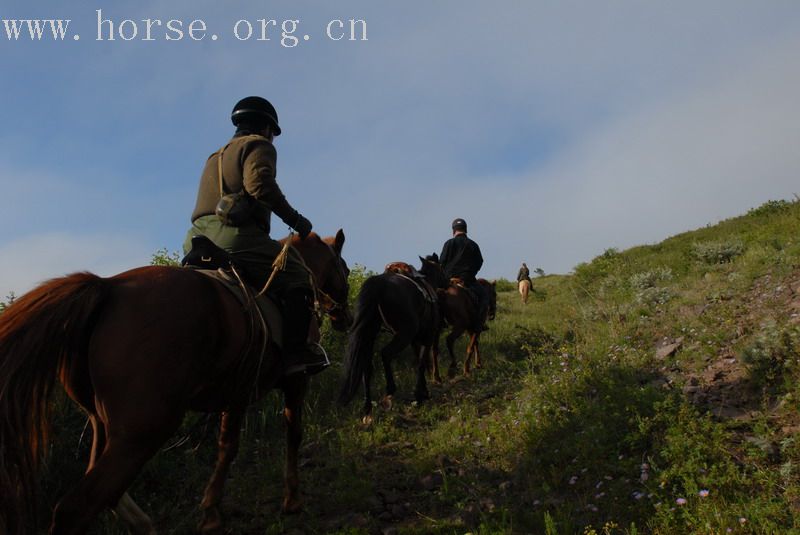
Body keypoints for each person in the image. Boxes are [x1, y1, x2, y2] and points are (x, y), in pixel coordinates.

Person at [183, 96, 327, 375]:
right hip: (236, 238)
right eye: (273, 134)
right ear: (267, 129)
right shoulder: (258, 145)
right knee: (299, 275)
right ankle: (295, 355)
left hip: (196, 239)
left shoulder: (216, 156)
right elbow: (260, 185)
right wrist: (296, 220)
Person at [439, 218, 489, 330]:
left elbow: (442, 261)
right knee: (484, 296)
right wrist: (469, 275)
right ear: (466, 230)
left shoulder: (448, 243)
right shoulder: (473, 244)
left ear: (453, 231)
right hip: (467, 280)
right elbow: (479, 262)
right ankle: (478, 324)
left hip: (448, 280)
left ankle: (437, 320)